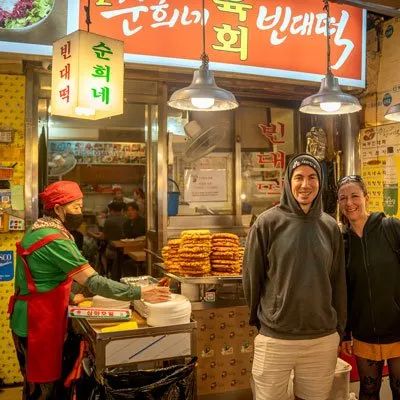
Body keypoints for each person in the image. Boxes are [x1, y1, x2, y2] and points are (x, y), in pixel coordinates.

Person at [8, 180, 170, 400]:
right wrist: (140, 293)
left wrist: (72, 295)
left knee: (40, 384)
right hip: (37, 323)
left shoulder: (40, 229)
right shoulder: (54, 239)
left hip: (34, 314)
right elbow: (93, 281)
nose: (80, 212)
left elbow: (42, 276)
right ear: (57, 209)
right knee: (44, 390)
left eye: (81, 207)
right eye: (75, 207)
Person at [243, 154, 346, 400]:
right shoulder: (267, 223)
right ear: (288, 182)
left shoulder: (330, 226)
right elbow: (251, 277)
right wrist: (263, 322)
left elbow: (338, 280)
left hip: (321, 339)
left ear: (320, 183)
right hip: (275, 339)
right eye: (298, 177)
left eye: (312, 177)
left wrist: (339, 327)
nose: (305, 184)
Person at [338, 175, 400, 400]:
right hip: (364, 334)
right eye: (343, 198)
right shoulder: (341, 242)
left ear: (367, 197)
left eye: (355, 195)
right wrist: (345, 332)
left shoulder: (391, 228)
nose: (349, 202)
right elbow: (342, 290)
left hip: (398, 329)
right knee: (369, 391)